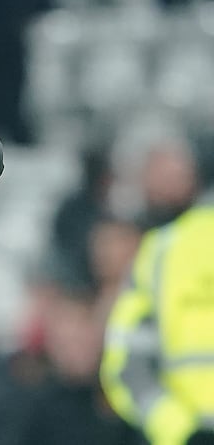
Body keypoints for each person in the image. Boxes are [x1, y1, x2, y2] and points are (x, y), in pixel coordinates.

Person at [100, 128, 214, 445]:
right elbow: (125, 364)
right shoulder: (162, 251)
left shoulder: (162, 250)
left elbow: (124, 365)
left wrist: (179, 430)